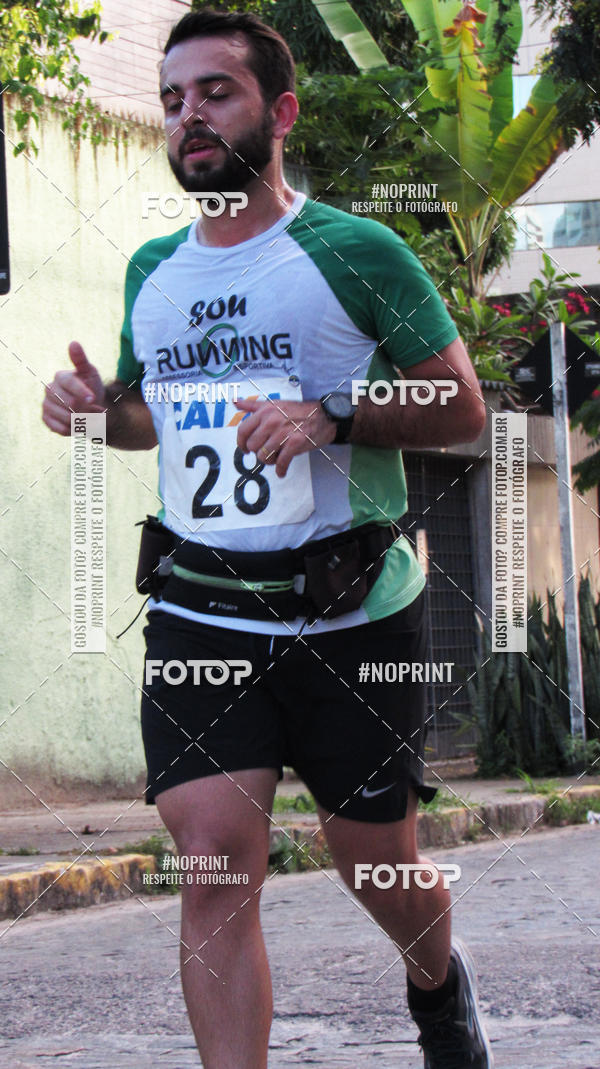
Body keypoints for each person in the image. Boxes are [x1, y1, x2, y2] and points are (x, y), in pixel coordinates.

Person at [42, 8, 493, 1067]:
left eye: (215, 92)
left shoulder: (356, 249)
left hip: (347, 608)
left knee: (374, 859)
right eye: (170, 100)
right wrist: (94, 406)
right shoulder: (153, 270)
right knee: (212, 861)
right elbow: (149, 414)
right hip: (201, 607)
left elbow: (462, 408)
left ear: (280, 111)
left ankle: (437, 980)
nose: (187, 116)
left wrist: (333, 414)